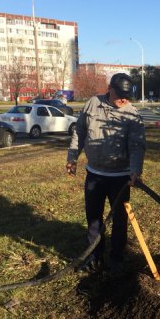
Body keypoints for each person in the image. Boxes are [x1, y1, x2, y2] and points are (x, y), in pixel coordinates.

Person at [66, 73, 146, 273]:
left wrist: (135, 171)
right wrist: (72, 157)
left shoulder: (133, 115)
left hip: (120, 178)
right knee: (93, 218)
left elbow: (137, 146)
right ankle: (95, 258)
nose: (124, 100)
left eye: (127, 96)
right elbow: (80, 131)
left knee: (119, 220)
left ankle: (117, 258)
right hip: (94, 174)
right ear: (110, 89)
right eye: (120, 96)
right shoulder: (93, 103)